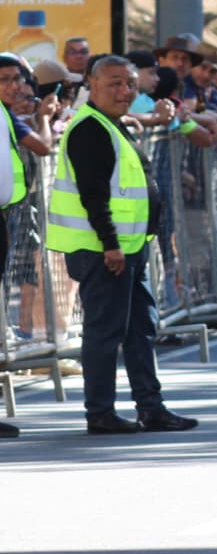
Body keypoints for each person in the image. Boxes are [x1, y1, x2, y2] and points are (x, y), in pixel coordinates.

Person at [46, 56, 199, 434]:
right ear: (92, 84)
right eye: (114, 82)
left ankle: (151, 407)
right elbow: (93, 194)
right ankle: (100, 412)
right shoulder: (90, 129)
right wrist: (110, 245)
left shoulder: (112, 124)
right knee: (105, 333)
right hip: (105, 251)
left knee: (140, 329)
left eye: (130, 83)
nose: (124, 91)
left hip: (129, 249)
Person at [0, 56, 56, 438]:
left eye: (16, 78)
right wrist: (45, 118)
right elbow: (43, 144)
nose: (12, 86)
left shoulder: (6, 115)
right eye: (4, 80)